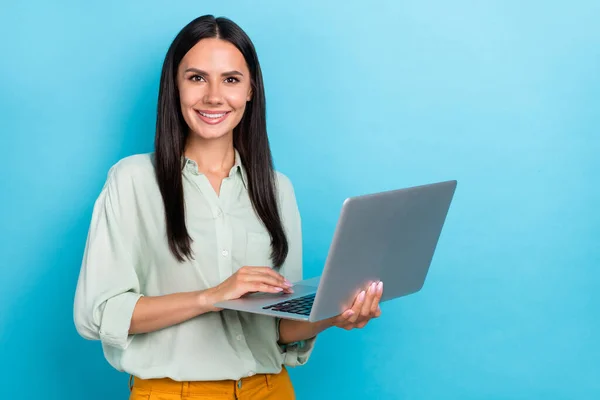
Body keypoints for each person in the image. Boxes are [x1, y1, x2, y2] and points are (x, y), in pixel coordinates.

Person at [73, 14, 383, 400]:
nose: (214, 96)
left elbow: (279, 327)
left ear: (251, 90)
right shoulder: (132, 180)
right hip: (175, 393)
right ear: (175, 86)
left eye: (231, 80)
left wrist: (332, 315)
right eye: (197, 77)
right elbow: (99, 314)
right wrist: (211, 297)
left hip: (269, 390)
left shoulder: (276, 189)